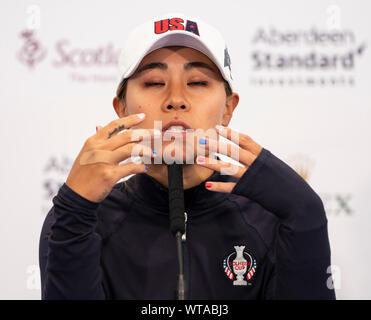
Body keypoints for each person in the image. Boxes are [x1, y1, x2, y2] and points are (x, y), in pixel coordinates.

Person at [39, 13, 336, 300]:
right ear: (122, 109)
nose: (176, 100)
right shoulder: (81, 221)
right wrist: (74, 211)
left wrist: (305, 214)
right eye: (154, 82)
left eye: (197, 82)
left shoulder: (272, 219)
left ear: (229, 108)